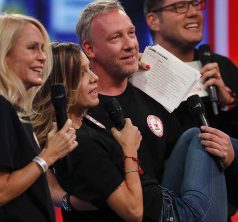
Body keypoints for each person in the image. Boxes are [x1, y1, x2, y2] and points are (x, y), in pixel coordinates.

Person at [34, 1, 237, 221]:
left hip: (165, 206)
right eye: (115, 38)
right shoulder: (79, 112)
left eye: (131, 33)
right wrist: (66, 200)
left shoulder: (153, 90)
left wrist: (224, 150)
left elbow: (186, 162)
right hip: (138, 213)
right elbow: (43, 168)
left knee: (200, 138)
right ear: (90, 49)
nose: (130, 44)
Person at [144, 0, 238, 217]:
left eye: (196, 4)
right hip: (169, 201)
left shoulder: (220, 67)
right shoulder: (141, 74)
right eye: (180, 6)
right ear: (153, 20)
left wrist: (228, 104)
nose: (193, 12)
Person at [0, 13, 78, 222]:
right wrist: (48, 156)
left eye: (43, 49)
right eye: (32, 48)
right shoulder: (2, 109)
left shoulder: (17, 112)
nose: (43, 57)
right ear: (4, 53)